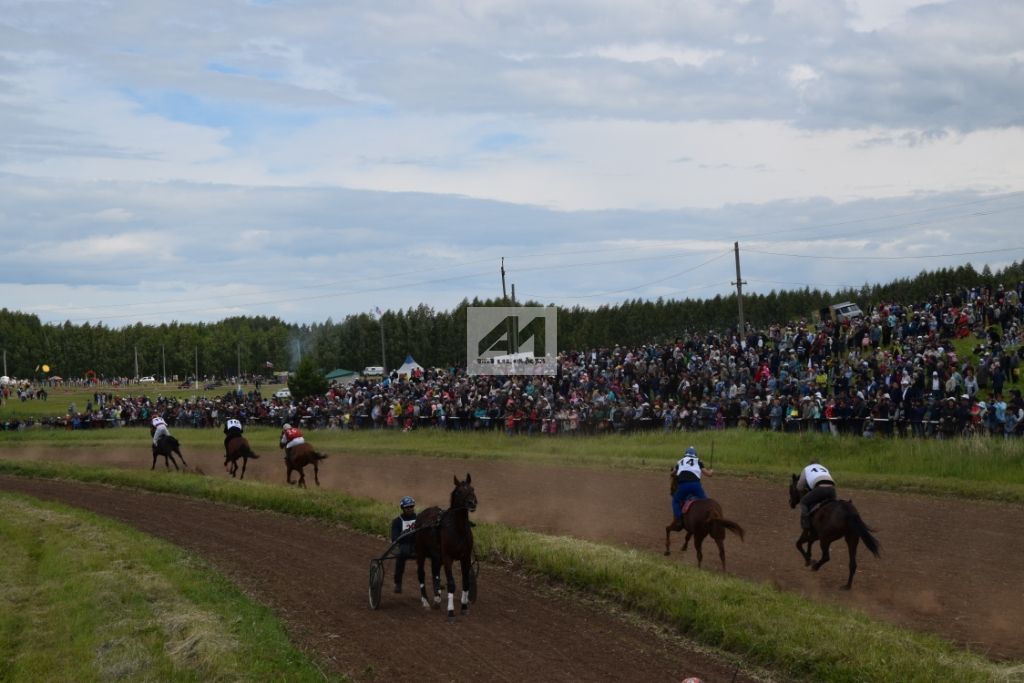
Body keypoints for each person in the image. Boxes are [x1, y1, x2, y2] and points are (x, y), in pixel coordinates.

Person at [671, 446, 713, 521]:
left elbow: (673, 473)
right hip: (696, 485)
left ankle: (679, 519)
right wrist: (711, 471)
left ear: (685, 454)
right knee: (706, 502)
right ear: (695, 454)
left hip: (683, 485)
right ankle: (710, 517)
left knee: (675, 500)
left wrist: (672, 471)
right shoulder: (698, 461)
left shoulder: (680, 461)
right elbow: (708, 474)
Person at [794, 459, 836, 531]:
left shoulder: (807, 469)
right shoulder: (824, 468)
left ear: (810, 464)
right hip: (832, 490)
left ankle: (806, 524)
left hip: (819, 489)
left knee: (803, 502)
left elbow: (799, 486)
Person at [389, 496, 418, 593]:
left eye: (411, 506)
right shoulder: (397, 521)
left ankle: (437, 581)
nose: (410, 509)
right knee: (402, 554)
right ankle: (398, 583)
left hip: (417, 544)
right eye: (407, 507)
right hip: (405, 544)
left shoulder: (419, 518)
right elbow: (395, 538)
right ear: (403, 508)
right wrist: (405, 533)